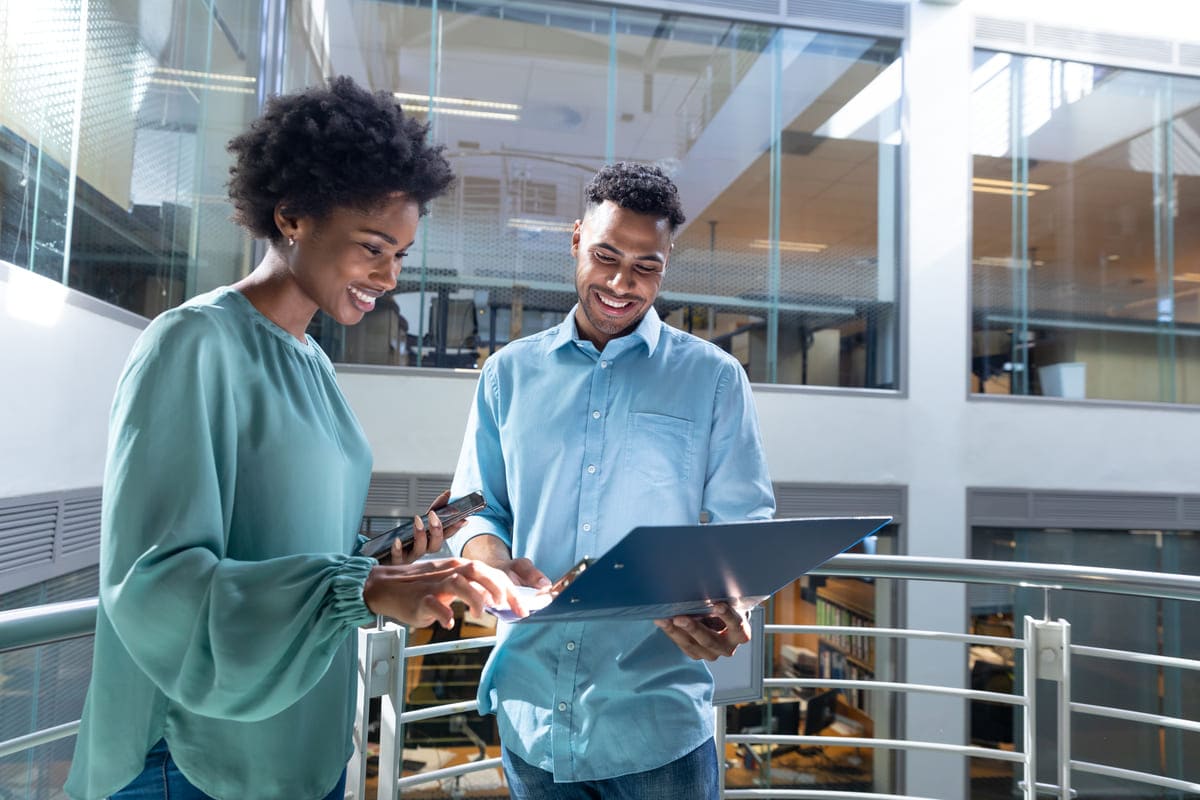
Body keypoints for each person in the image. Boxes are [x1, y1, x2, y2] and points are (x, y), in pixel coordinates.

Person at [65, 76, 527, 800]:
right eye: (373, 247)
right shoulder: (193, 344)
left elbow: (287, 548)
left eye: (401, 256)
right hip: (194, 758)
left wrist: (375, 564)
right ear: (292, 217)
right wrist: (360, 586)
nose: (389, 275)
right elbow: (156, 583)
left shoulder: (312, 360)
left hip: (300, 747)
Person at [448, 161, 776, 798]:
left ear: (667, 263)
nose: (622, 283)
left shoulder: (713, 378)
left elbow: (745, 530)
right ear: (576, 239)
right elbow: (479, 511)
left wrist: (723, 605)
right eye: (605, 255)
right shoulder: (506, 375)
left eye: (646, 266)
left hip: (656, 728)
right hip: (532, 718)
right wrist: (494, 564)